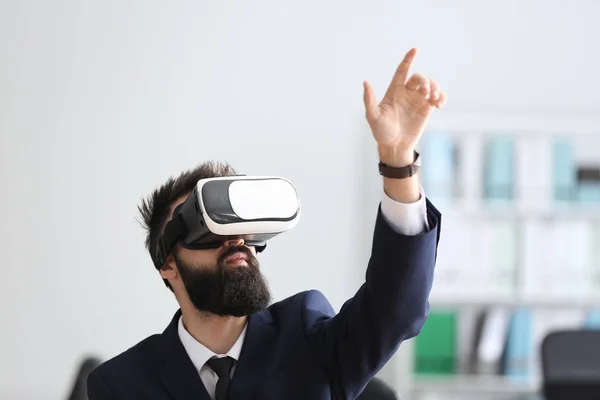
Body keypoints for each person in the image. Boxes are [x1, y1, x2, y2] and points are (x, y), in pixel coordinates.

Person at [87, 47, 446, 400]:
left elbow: (397, 308)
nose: (235, 239)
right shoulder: (120, 384)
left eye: (238, 223)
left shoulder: (306, 338)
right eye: (208, 225)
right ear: (168, 265)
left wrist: (398, 161)